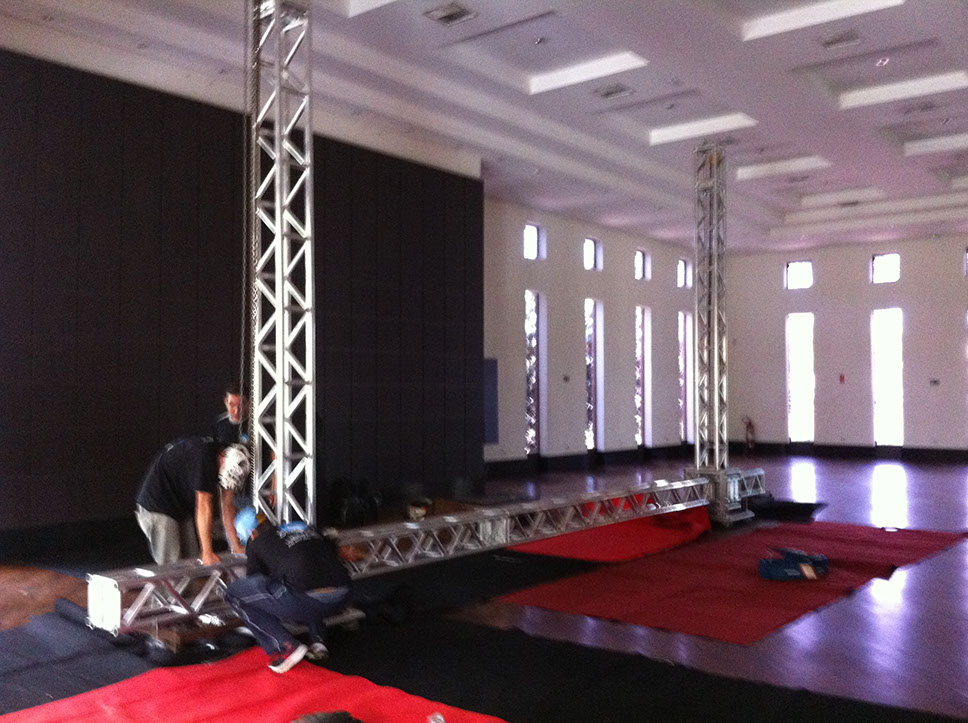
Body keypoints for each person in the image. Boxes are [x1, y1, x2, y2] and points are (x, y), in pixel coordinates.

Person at [225, 507, 352, 673]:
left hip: (307, 601)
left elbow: (255, 584)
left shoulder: (256, 543)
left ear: (250, 533)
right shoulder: (306, 530)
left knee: (235, 593)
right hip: (344, 596)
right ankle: (318, 642)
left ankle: (285, 647)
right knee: (308, 575)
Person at [135, 437, 250, 565]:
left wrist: (236, 546)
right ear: (222, 456)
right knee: (173, 565)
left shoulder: (230, 461)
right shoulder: (204, 458)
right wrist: (207, 552)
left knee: (193, 561)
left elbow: (228, 507)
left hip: (180, 507)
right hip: (157, 506)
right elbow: (204, 506)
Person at [213, 382, 249, 447]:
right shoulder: (219, 423)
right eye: (232, 405)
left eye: (241, 405)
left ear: (248, 402)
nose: (236, 411)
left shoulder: (260, 424)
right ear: (226, 402)